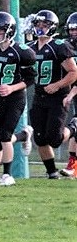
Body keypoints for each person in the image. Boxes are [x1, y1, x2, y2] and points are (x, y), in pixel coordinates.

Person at [0, 11, 37, 186]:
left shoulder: (22, 53)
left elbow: (30, 79)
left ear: (9, 31)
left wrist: (11, 88)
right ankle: (23, 135)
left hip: (15, 98)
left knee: (4, 135)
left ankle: (7, 174)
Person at [25, 10, 77, 179]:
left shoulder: (59, 46)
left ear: (52, 27)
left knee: (54, 139)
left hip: (57, 97)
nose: (40, 28)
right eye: (38, 24)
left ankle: (73, 128)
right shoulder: (30, 48)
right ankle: (52, 172)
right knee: (40, 139)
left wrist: (57, 85)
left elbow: (73, 72)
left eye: (45, 25)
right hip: (39, 97)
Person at [61, 12, 77, 177]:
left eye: (76, 30)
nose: (73, 33)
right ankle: (73, 165)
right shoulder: (65, 46)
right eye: (71, 29)